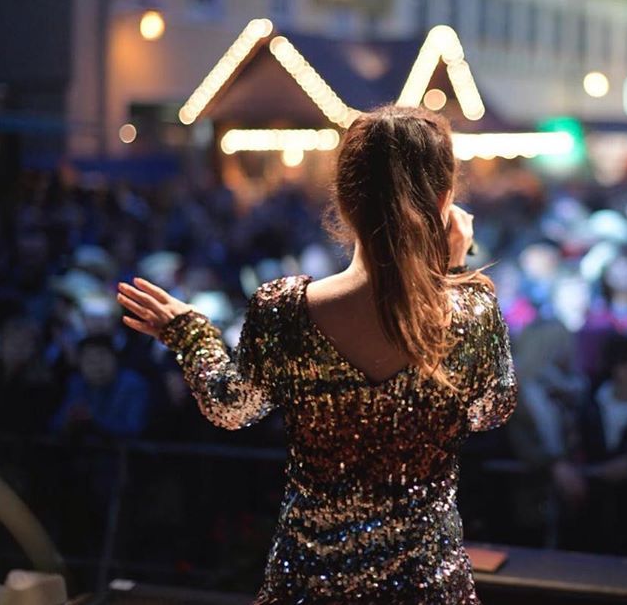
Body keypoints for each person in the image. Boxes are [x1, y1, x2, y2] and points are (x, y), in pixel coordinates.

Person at [117, 105, 517, 604]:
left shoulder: (283, 311)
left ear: (345, 201)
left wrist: (190, 334)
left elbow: (232, 407)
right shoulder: (473, 311)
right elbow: (488, 411)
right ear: (444, 201)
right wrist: (451, 272)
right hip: (427, 589)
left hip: (309, 585)